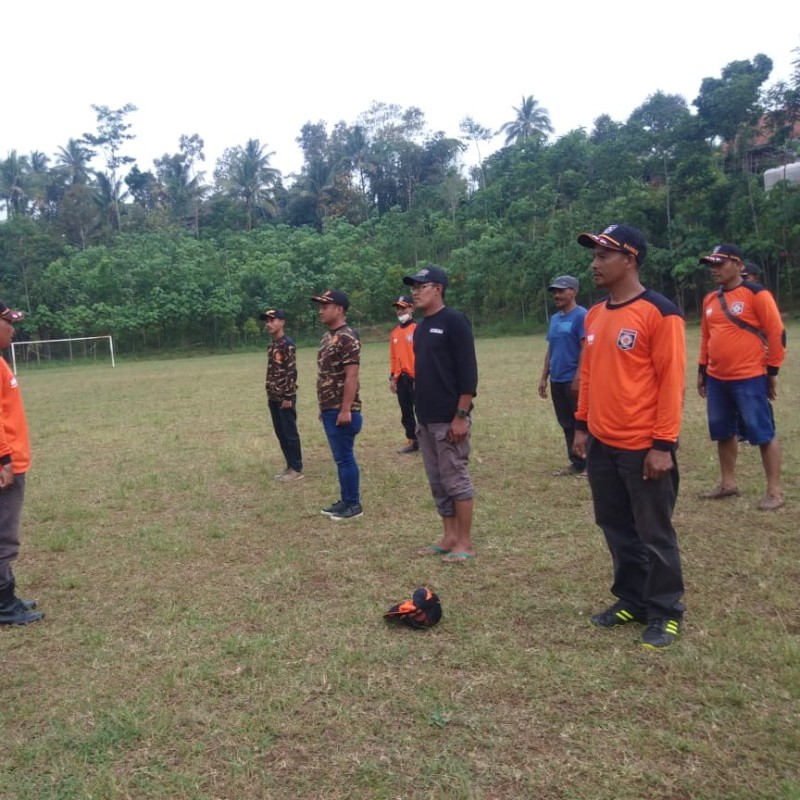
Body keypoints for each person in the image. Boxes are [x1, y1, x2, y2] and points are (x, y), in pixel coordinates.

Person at [572, 225, 686, 650]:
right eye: (594, 255)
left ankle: (665, 611)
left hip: (643, 447)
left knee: (654, 532)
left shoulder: (661, 312)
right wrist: (582, 425)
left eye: (603, 255)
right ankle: (632, 599)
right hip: (603, 443)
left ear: (630, 259)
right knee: (615, 525)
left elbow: (671, 383)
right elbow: (589, 375)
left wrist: (662, 445)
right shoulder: (596, 314)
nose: (594, 263)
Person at [696, 244, 786, 511]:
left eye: (720, 264)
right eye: (712, 265)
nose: (715, 270)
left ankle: (774, 491)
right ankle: (728, 483)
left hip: (749, 376)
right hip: (717, 378)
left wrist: (772, 371)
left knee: (762, 432)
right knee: (723, 431)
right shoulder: (710, 299)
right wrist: (702, 370)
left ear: (738, 264)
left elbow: (776, 332)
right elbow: (705, 336)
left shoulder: (756, 294)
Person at [404, 265, 478, 564]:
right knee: (437, 481)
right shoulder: (420, 327)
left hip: (449, 419)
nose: (415, 291)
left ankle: (465, 542)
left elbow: (468, 373)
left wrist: (460, 415)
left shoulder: (454, 321)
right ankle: (448, 537)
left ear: (438, 288)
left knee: (455, 479)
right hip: (426, 419)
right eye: (414, 286)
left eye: (421, 285)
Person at [0, 301, 44, 626]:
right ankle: (3, 605)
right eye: (8, 322)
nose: (13, 328)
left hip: (10, 459)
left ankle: (7, 596)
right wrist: (3, 459)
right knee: (4, 534)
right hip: (4, 464)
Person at [311, 290, 363, 520]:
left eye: (325, 306)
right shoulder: (327, 336)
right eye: (319, 306)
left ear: (339, 309)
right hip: (330, 408)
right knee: (340, 458)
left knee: (345, 458)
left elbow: (351, 376)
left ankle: (353, 505)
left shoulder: (347, 337)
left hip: (344, 410)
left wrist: (345, 409)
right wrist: (324, 407)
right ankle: (345, 500)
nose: (320, 310)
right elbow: (326, 374)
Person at [537, 275, 587, 477]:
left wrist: (579, 377)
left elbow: (586, 348)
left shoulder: (582, 316)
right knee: (566, 422)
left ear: (573, 292)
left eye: (561, 291)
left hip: (573, 380)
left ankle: (590, 463)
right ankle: (576, 463)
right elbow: (551, 349)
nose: (556, 295)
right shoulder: (555, 318)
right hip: (557, 379)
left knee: (583, 422)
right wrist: (543, 377)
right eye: (554, 292)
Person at [262, 308, 304, 483]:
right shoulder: (272, 345)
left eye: (273, 320)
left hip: (285, 398)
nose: (269, 324)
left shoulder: (287, 344)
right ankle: (289, 465)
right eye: (267, 321)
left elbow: (291, 372)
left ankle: (297, 468)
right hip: (274, 396)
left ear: (282, 322)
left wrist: (288, 396)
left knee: (289, 433)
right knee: (280, 433)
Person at [389, 295, 418, 454]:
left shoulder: (417, 328)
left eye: (403, 307)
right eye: (398, 309)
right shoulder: (394, 332)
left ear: (411, 308)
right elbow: (393, 357)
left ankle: (428, 442)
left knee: (421, 411)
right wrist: (393, 377)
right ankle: (412, 441)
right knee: (406, 412)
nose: (400, 311)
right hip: (401, 378)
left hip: (416, 377)